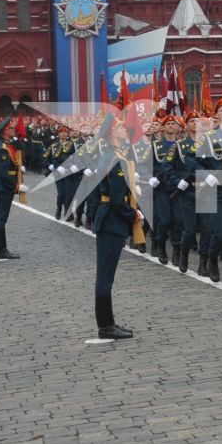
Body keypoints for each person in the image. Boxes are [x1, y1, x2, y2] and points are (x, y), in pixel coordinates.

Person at [92, 123, 139, 340]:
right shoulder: (114, 158)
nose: (124, 129)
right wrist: (134, 215)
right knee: (105, 277)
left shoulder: (112, 155)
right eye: (120, 127)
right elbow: (117, 201)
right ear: (112, 133)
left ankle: (107, 323)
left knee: (105, 275)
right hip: (112, 222)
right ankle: (106, 326)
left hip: (109, 219)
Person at [0, 121, 25, 260]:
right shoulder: (3, 148)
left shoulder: (9, 145)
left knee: (2, 218)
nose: (14, 130)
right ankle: (1, 250)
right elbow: (3, 173)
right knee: (1, 218)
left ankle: (2, 249)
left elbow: (11, 165)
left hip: (7, 186)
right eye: (11, 128)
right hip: (5, 187)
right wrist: (15, 186)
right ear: (5, 131)